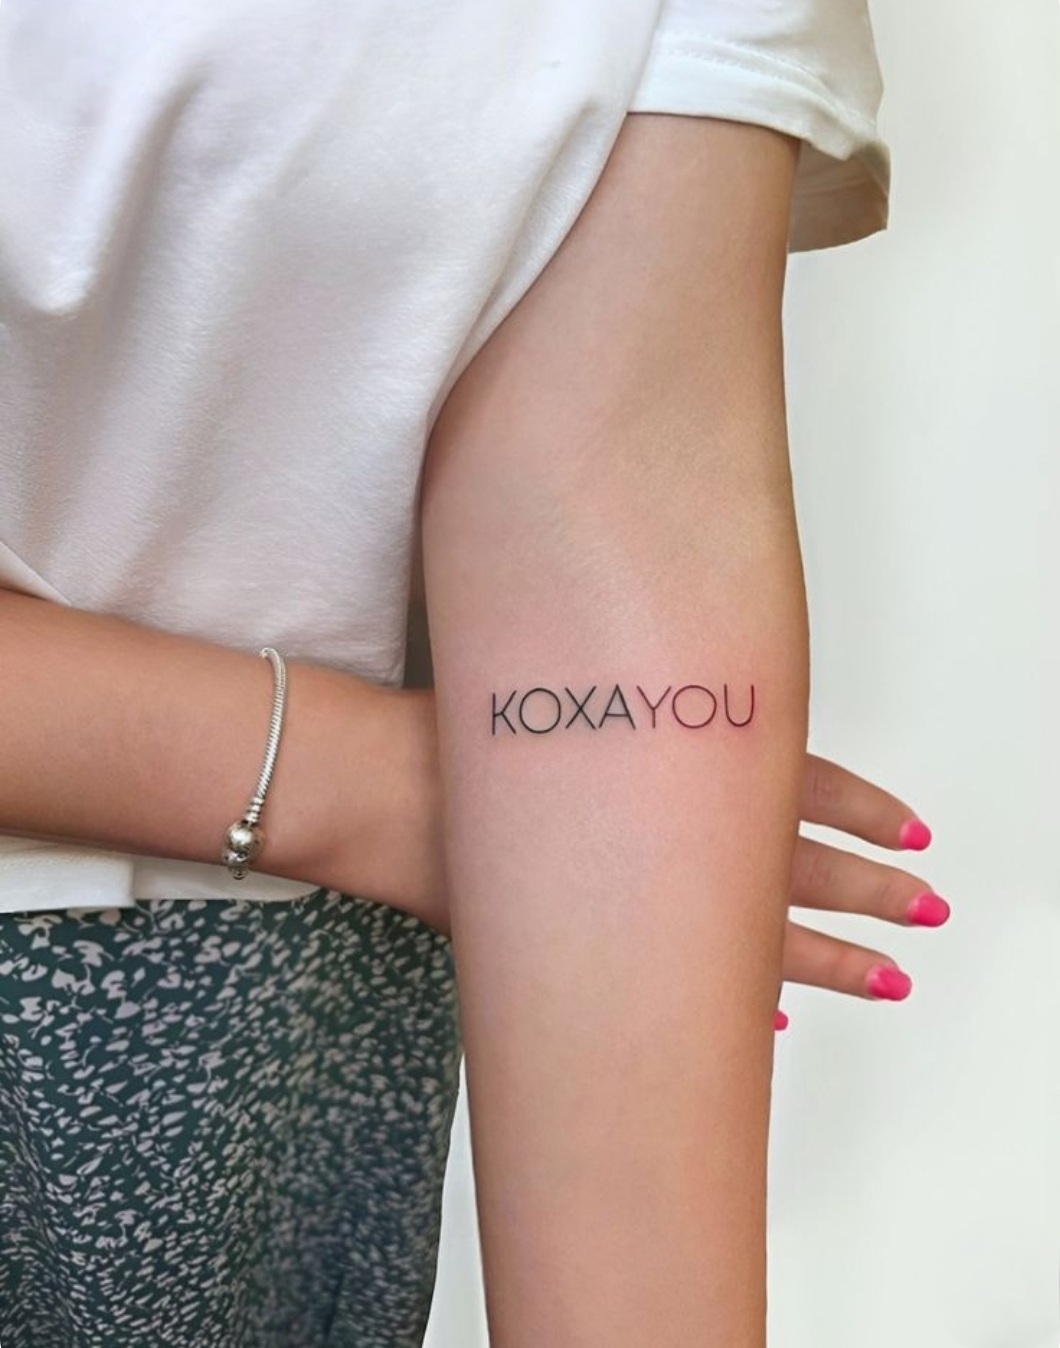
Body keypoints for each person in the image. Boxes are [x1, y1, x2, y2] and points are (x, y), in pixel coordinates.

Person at [0, 2, 949, 1344]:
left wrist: (569, 831)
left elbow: (615, 506)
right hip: (291, 904)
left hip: (257, 1044)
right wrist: (388, 787)